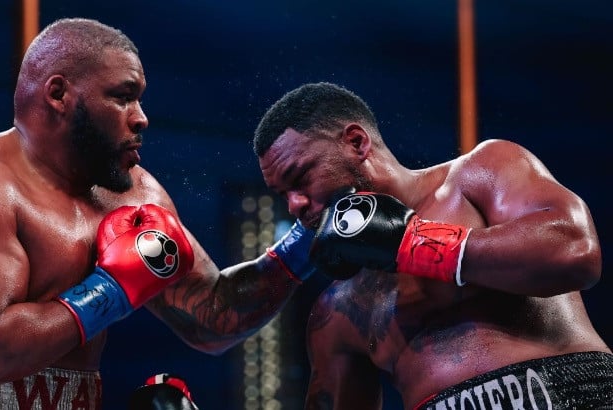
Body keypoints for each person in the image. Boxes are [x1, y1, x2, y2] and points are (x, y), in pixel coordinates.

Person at [0, 18, 317, 409]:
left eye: (139, 100)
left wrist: (309, 240)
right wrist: (112, 290)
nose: (141, 118)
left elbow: (212, 317)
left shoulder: (134, 195)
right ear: (59, 95)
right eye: (123, 97)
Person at [253, 82, 613, 409]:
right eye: (283, 194)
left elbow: (575, 251)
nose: (295, 205)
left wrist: (414, 243)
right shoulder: (339, 309)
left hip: (569, 394)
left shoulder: (478, 174)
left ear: (357, 142)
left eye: (300, 177)